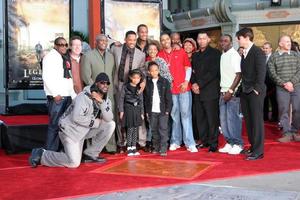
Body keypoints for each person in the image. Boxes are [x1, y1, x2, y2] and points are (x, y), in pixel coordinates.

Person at [29, 73, 115, 168]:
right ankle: (42, 155)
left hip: (84, 130)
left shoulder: (106, 100)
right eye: (102, 83)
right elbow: (76, 118)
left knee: (110, 124)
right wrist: (95, 122)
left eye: (107, 83)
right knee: (73, 163)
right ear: (96, 84)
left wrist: (102, 103)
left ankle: (90, 154)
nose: (105, 85)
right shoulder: (84, 97)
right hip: (70, 131)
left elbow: (109, 118)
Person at [158, 33, 197, 153]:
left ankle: (190, 143)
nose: (165, 42)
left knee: (185, 115)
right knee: (174, 116)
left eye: (167, 39)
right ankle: (175, 141)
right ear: (161, 42)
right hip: (170, 90)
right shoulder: (159, 55)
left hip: (183, 88)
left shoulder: (180, 52)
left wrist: (186, 82)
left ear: (170, 40)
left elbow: (188, 68)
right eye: (163, 40)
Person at [80, 34, 116, 153]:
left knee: (109, 118)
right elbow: (86, 76)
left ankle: (110, 146)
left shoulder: (111, 56)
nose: (103, 42)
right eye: (100, 40)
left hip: (108, 93)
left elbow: (113, 74)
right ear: (95, 42)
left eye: (105, 41)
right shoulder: (88, 55)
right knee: (94, 119)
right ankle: (92, 149)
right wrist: (95, 90)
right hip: (94, 93)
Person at [111, 30, 146, 153]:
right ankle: (122, 142)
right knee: (120, 114)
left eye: (134, 40)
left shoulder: (141, 55)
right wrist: (114, 44)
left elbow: (143, 71)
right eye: (129, 39)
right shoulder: (116, 49)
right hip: (119, 85)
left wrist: (143, 81)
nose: (132, 42)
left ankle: (140, 141)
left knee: (136, 115)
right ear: (125, 39)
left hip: (133, 87)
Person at [236, 27, 266, 160]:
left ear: (247, 37)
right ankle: (253, 147)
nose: (238, 40)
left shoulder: (257, 52)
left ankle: (258, 151)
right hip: (245, 92)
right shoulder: (244, 53)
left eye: (239, 38)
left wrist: (256, 89)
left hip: (255, 92)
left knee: (257, 121)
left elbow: (261, 73)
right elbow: (244, 74)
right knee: (248, 122)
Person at [42, 37, 76, 151]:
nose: (64, 47)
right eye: (61, 44)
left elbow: (68, 78)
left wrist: (73, 95)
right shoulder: (49, 58)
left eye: (65, 44)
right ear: (55, 45)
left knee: (65, 125)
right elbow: (46, 77)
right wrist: (54, 94)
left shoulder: (65, 58)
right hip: (57, 97)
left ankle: (61, 150)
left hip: (67, 96)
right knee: (54, 125)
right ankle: (50, 152)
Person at [191, 32, 221, 152]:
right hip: (197, 92)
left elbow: (213, 72)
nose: (201, 41)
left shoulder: (215, 53)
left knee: (211, 118)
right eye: (199, 39)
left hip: (210, 91)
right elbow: (192, 71)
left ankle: (213, 143)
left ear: (208, 40)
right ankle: (204, 141)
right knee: (201, 118)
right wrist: (193, 83)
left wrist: (199, 84)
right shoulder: (196, 55)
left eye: (204, 38)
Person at [268, 35, 300, 142]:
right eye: (286, 41)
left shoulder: (296, 55)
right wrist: (283, 84)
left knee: (297, 109)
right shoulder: (274, 56)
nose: (289, 43)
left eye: (289, 41)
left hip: (296, 86)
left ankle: (295, 132)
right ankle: (286, 133)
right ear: (280, 44)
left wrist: (291, 82)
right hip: (281, 88)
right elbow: (272, 73)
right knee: (283, 110)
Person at [218, 34, 243, 155]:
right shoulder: (223, 55)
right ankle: (229, 142)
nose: (223, 43)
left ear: (231, 42)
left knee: (233, 119)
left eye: (226, 41)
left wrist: (231, 91)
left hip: (231, 93)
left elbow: (239, 74)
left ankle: (238, 144)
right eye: (221, 41)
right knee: (224, 121)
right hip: (223, 91)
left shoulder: (234, 55)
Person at [144, 61, 172, 156]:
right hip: (152, 111)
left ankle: (163, 148)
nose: (154, 72)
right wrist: (147, 111)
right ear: (149, 72)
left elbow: (168, 97)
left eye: (156, 70)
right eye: (152, 71)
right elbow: (146, 99)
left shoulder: (165, 81)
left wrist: (168, 110)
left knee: (163, 129)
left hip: (163, 110)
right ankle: (156, 147)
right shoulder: (147, 83)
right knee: (154, 130)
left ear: (159, 70)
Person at [119, 69, 144, 156]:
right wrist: (121, 111)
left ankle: (134, 147)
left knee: (135, 129)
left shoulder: (139, 88)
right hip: (128, 109)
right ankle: (129, 147)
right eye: (134, 78)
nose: (136, 80)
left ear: (140, 78)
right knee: (130, 129)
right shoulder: (125, 87)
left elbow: (141, 100)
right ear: (130, 77)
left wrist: (142, 112)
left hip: (137, 109)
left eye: (138, 78)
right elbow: (121, 99)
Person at [262, 42, 278, 122]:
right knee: (264, 101)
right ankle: (265, 116)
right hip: (263, 84)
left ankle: (275, 117)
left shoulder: (275, 57)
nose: (265, 50)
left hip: (273, 84)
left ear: (271, 49)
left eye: (267, 48)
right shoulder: (261, 58)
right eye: (264, 48)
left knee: (274, 101)